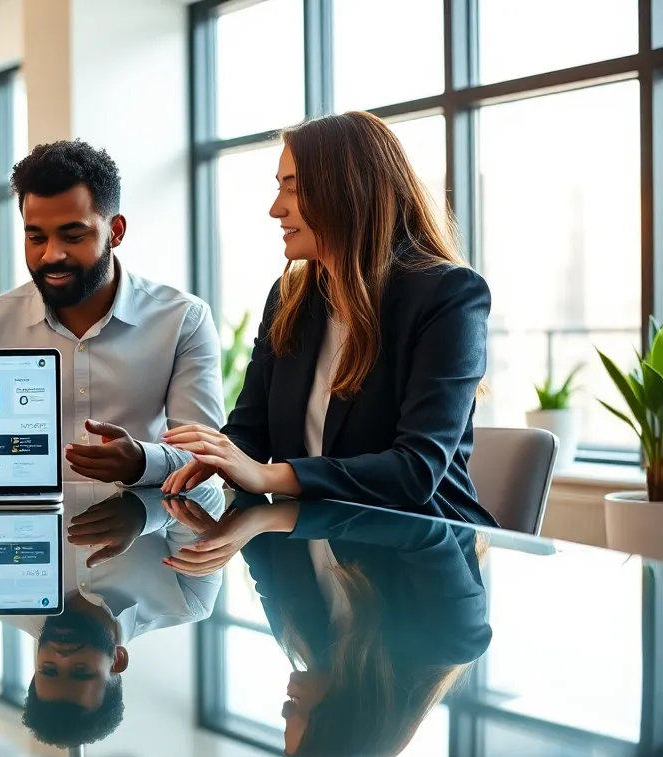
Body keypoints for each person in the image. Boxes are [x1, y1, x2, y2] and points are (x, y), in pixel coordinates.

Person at [163, 112, 495, 527]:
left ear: (348, 192)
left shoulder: (449, 296)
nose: (275, 209)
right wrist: (220, 455)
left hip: (422, 552)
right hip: (308, 547)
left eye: (293, 189)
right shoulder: (289, 301)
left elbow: (415, 472)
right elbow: (251, 429)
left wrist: (267, 475)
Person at [0, 140, 224, 487]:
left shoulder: (182, 320)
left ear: (115, 231)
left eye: (72, 235)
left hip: (148, 533)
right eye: (36, 238)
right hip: (27, 535)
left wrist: (142, 462)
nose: (51, 255)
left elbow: (205, 454)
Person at [165, 493, 490, 757]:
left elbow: (251, 521)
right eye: (296, 711)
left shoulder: (295, 634)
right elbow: (425, 528)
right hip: (387, 456)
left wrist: (223, 533)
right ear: (346, 713)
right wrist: (277, 518)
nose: (284, 703)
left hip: (298, 451)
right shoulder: (452, 640)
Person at [6, 482, 223, 747]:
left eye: (49, 670)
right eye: (80, 671)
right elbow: (206, 495)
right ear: (117, 661)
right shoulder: (188, 599)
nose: (61, 656)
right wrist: (143, 513)